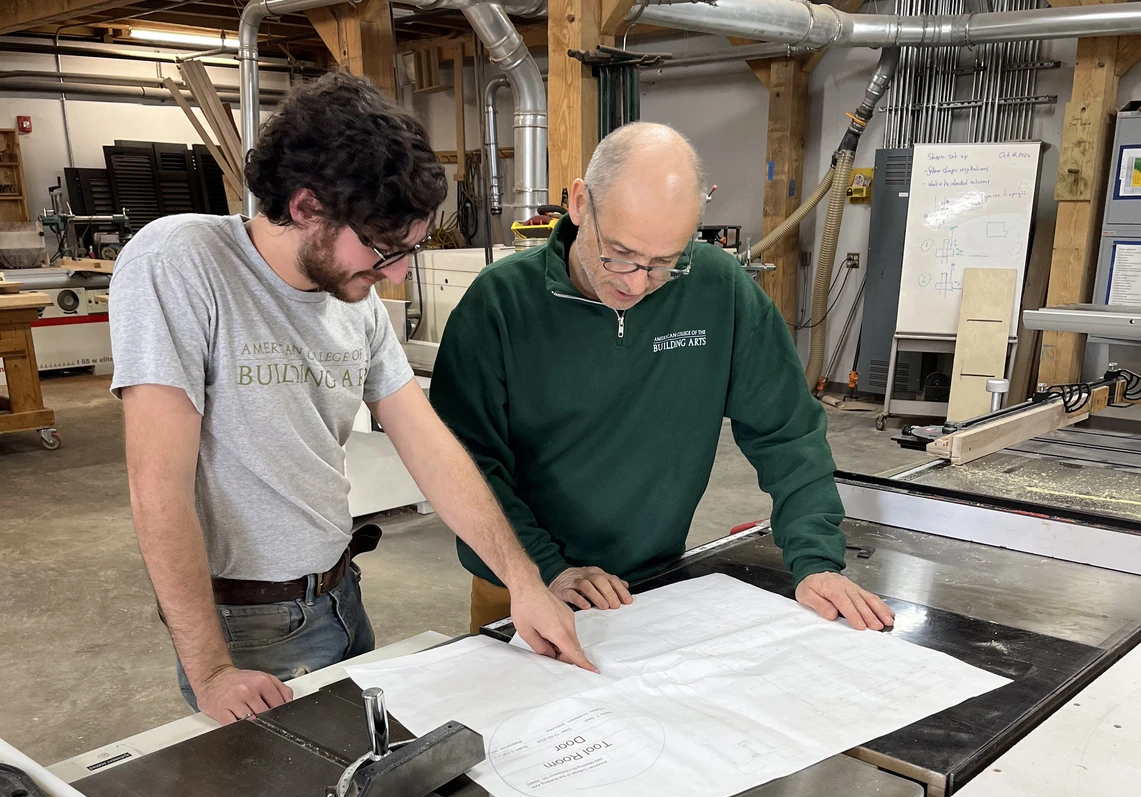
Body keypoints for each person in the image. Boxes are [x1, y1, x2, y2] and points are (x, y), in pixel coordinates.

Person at [109, 73, 591, 726]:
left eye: (408, 251)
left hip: (341, 595)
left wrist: (524, 583)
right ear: (307, 207)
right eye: (382, 248)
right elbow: (156, 488)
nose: (394, 273)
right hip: (245, 623)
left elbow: (428, 444)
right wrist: (213, 670)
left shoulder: (353, 299)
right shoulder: (180, 262)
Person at [430, 122, 895, 634]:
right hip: (519, 584)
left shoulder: (717, 288)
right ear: (581, 204)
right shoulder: (499, 305)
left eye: (663, 265)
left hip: (654, 583)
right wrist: (544, 569)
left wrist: (816, 561)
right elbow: (469, 464)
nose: (637, 283)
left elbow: (788, 432)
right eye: (621, 255)